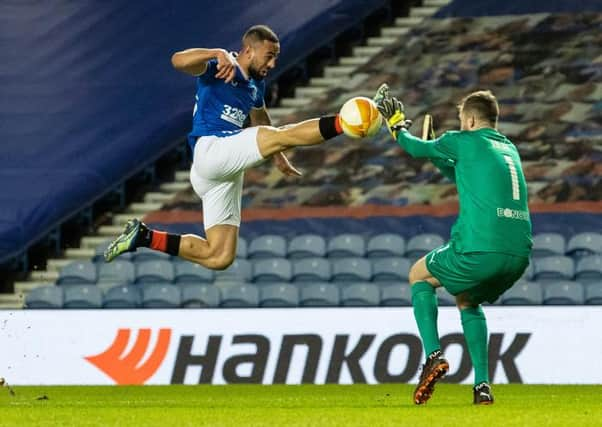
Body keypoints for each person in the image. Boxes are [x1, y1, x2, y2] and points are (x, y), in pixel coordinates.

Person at [104, 25, 347, 268]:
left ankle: (144, 236)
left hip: (219, 172)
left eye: (276, 58)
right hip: (212, 149)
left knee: (219, 257)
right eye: (269, 56)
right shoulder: (220, 67)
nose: (272, 64)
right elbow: (177, 60)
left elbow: (260, 118)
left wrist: (278, 155)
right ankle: (347, 120)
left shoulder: (255, 85)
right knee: (283, 133)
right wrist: (215, 52)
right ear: (249, 51)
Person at [373, 84, 532, 405]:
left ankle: (433, 355)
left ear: (470, 121)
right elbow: (461, 174)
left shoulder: (462, 140)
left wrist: (397, 125)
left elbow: (414, 148)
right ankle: (483, 386)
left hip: (480, 249)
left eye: (461, 120)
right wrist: (438, 153)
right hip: (518, 255)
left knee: (418, 276)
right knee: (467, 301)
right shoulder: (508, 149)